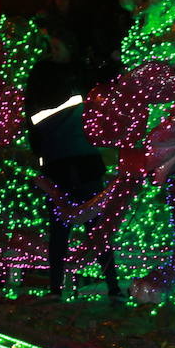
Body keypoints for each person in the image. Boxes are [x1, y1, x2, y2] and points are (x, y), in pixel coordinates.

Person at [25, 37, 121, 299]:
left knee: (88, 227)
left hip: (74, 161)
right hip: (66, 162)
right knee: (67, 229)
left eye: (58, 42)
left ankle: (108, 287)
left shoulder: (71, 73)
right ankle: (64, 289)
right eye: (51, 44)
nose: (53, 47)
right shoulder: (55, 75)